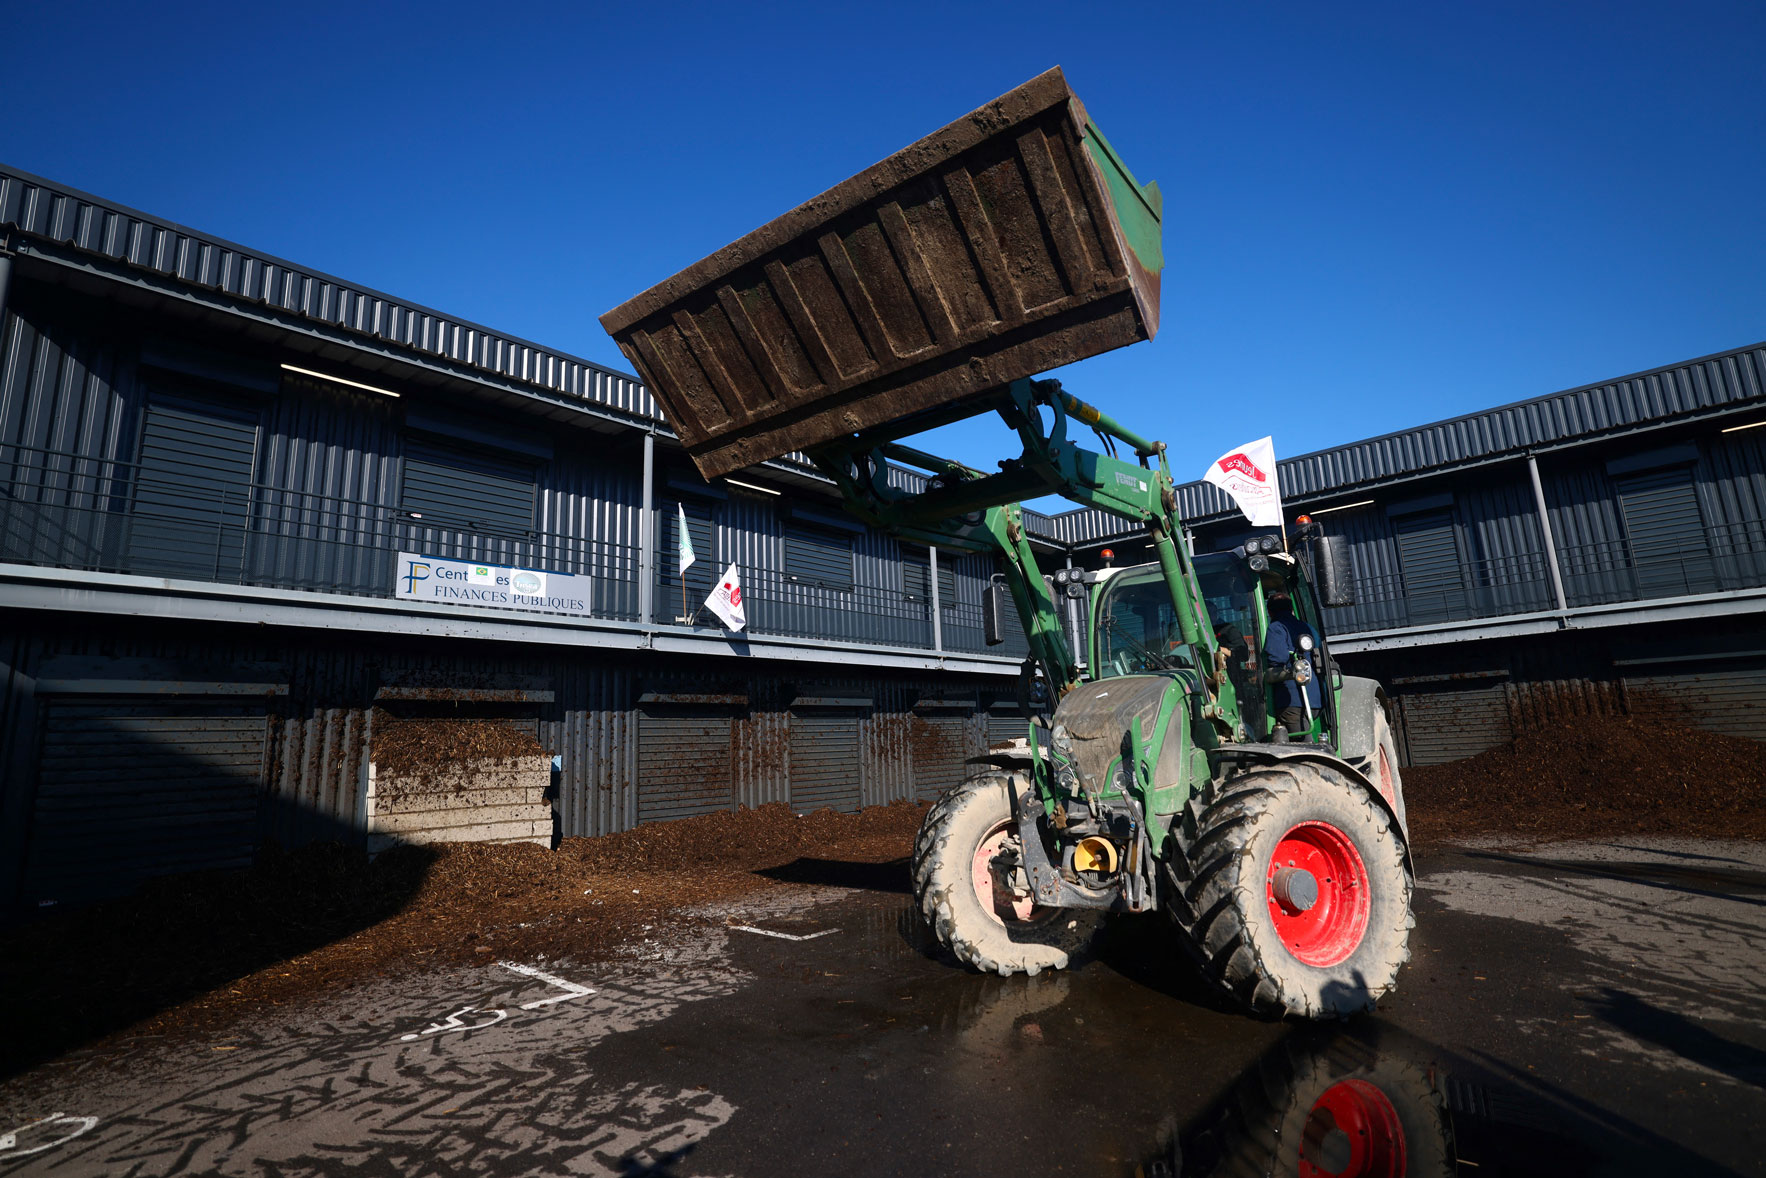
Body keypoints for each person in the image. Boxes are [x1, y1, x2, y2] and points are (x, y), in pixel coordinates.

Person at [1262, 590, 1321, 738]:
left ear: (1269, 612)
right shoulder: (1308, 628)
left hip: (1292, 701)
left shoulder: (1276, 628)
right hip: (1314, 700)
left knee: (1303, 749)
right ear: (1292, 609)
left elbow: (1277, 657)